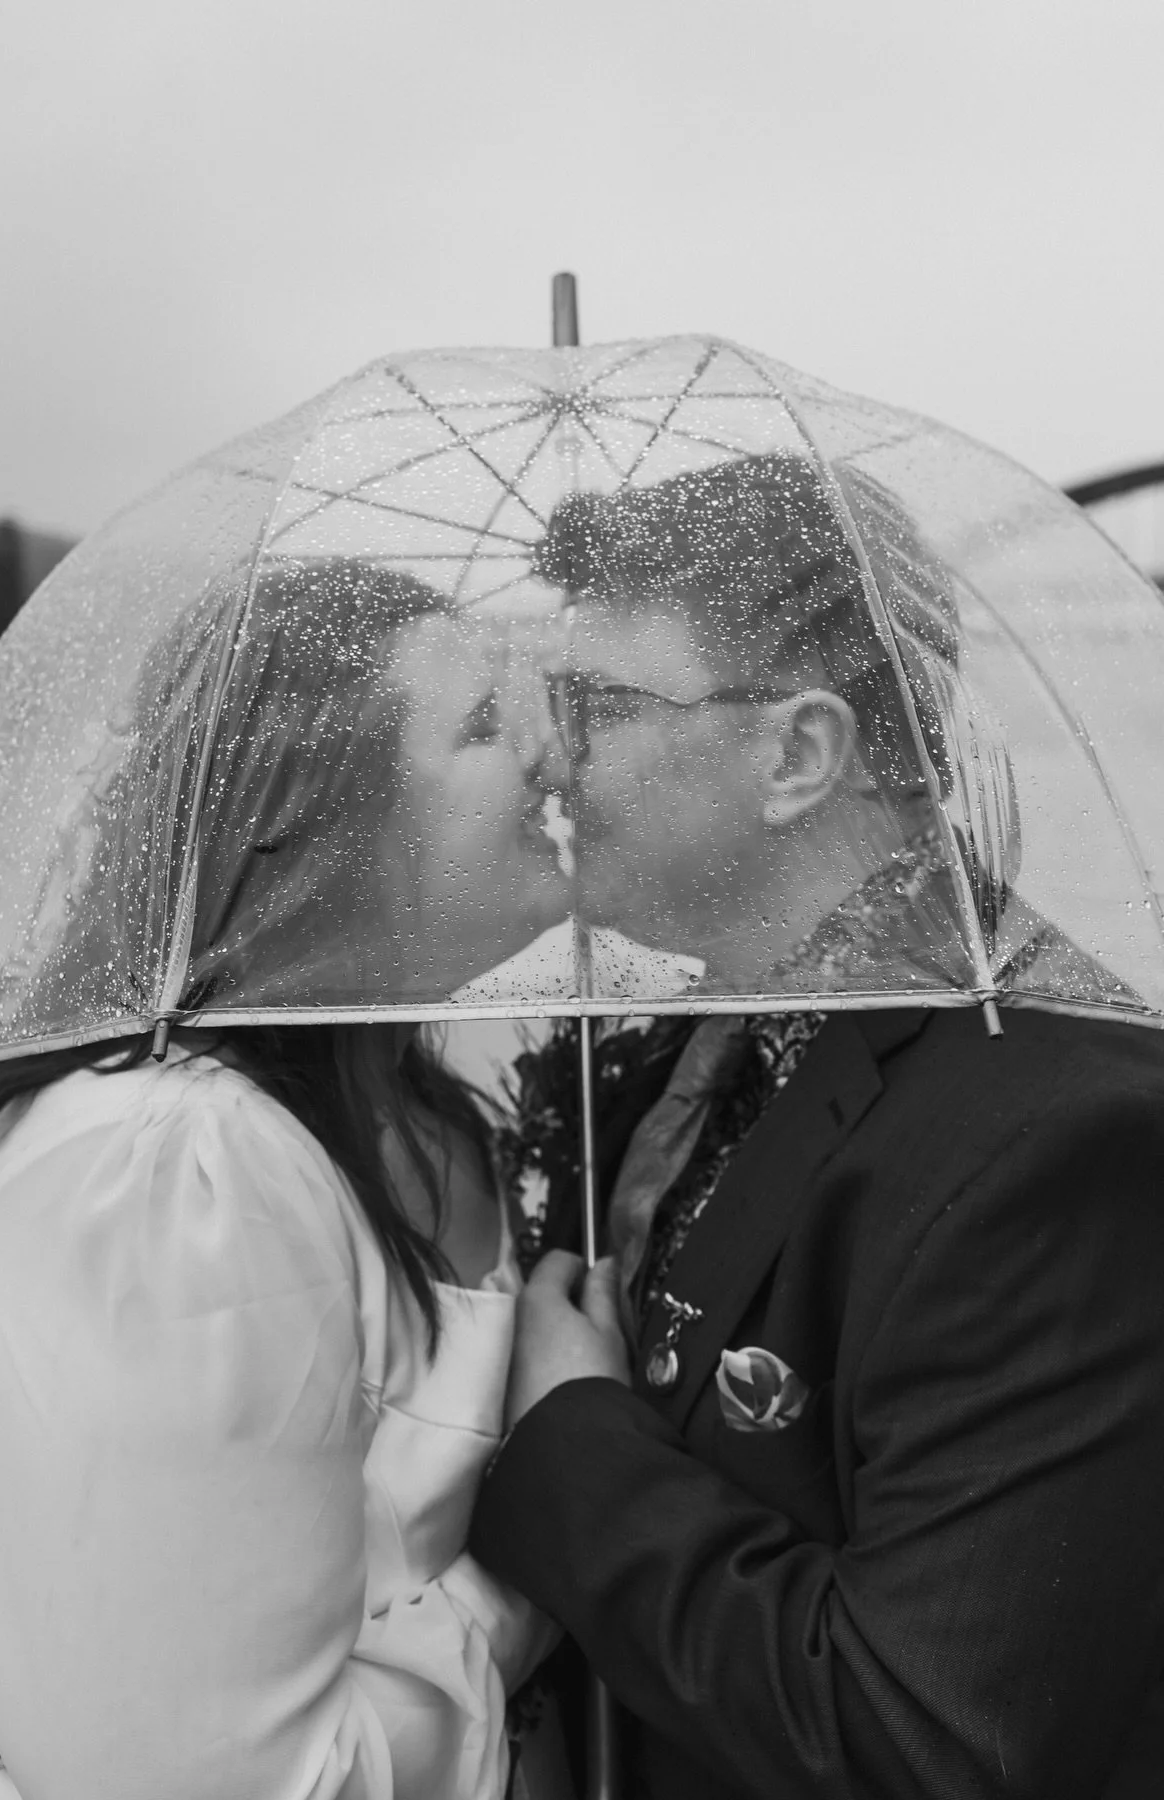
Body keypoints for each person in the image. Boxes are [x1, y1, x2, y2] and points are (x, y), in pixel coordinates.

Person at [0, 556, 565, 1799]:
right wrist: (553, 1559)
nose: (553, 759)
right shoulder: (166, 1178)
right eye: (486, 728)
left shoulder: (419, 1109)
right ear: (324, 835)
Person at [469, 453, 1164, 1798]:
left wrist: (571, 1435)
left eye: (595, 704)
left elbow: (932, 1742)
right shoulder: (708, 1043)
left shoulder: (1063, 1143)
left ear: (798, 753)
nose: (549, 759)